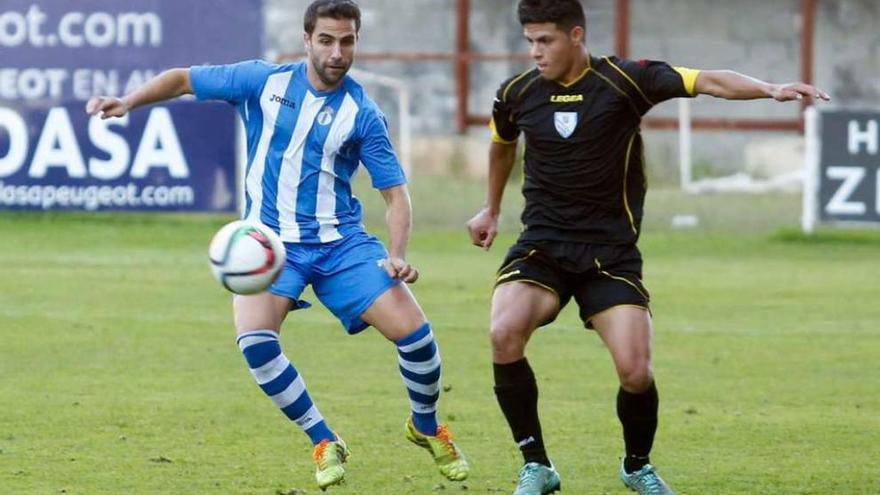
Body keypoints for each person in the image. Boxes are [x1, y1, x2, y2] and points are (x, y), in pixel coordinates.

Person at [87, 0, 469, 490]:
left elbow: (395, 195)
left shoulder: (363, 113)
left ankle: (425, 425)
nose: (337, 52)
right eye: (327, 40)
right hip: (267, 244)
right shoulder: (261, 81)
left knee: (417, 339)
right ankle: (323, 439)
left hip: (341, 244)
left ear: (356, 42)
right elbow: (182, 78)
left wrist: (396, 254)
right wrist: (128, 101)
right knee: (255, 342)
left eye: (347, 41)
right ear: (307, 40)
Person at [466, 1, 829, 494]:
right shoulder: (517, 93)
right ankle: (537, 466)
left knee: (635, 371)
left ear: (576, 35)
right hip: (543, 245)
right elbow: (501, 143)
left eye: (545, 40)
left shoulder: (625, 80)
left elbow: (705, 80)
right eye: (529, 41)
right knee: (504, 332)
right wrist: (490, 208)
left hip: (610, 253)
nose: (535, 52)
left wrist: (769, 90)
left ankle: (637, 466)